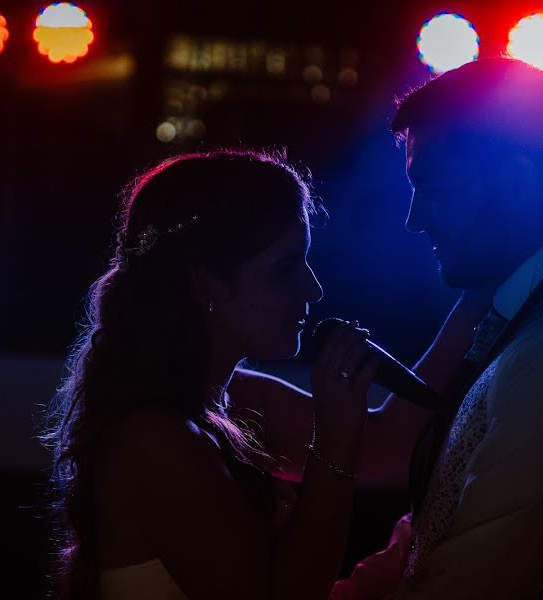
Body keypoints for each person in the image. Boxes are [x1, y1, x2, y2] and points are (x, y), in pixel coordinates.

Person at [230, 57, 543, 598]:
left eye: (433, 187)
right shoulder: (526, 306)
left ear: (520, 180)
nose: (414, 217)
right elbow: (433, 527)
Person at [41, 149, 381, 600]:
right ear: (206, 283)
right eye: (286, 267)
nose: (313, 289)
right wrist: (336, 439)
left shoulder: (202, 416)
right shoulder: (156, 440)